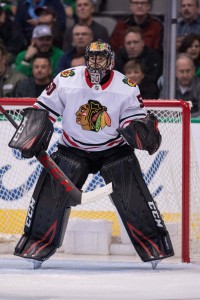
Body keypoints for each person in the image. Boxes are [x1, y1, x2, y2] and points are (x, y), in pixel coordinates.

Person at [9, 39, 174, 267]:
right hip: (73, 148)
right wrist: (32, 134)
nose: (96, 63)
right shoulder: (67, 79)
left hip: (113, 150)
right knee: (51, 195)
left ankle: (152, 243)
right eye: (92, 57)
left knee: (132, 196)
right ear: (86, 58)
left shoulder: (126, 86)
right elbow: (44, 109)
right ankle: (36, 243)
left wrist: (142, 132)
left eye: (101, 58)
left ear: (112, 61)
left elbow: (133, 121)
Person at [160, 53, 200, 117]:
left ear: (193, 70)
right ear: (175, 72)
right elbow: (161, 111)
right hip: (172, 125)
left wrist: (183, 118)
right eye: (181, 71)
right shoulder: (168, 87)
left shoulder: (198, 86)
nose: (185, 75)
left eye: (188, 71)